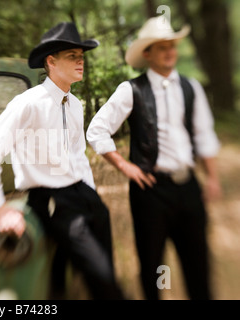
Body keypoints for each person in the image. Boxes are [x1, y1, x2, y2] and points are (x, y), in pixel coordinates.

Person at [0, 22, 124, 300]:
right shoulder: (28, 103)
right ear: (51, 62)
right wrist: (0, 209)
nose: (81, 62)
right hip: (52, 202)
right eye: (72, 56)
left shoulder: (75, 105)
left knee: (74, 275)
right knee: (104, 280)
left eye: (81, 56)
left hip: (83, 196)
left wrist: (91, 193)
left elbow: (78, 156)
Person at [86, 16, 222, 300]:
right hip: (150, 192)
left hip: (188, 188)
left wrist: (212, 178)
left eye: (172, 45)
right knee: (155, 267)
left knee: (198, 262)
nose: (170, 51)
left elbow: (204, 135)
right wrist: (125, 166)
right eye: (162, 47)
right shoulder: (131, 90)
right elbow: (97, 130)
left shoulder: (191, 87)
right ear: (147, 54)